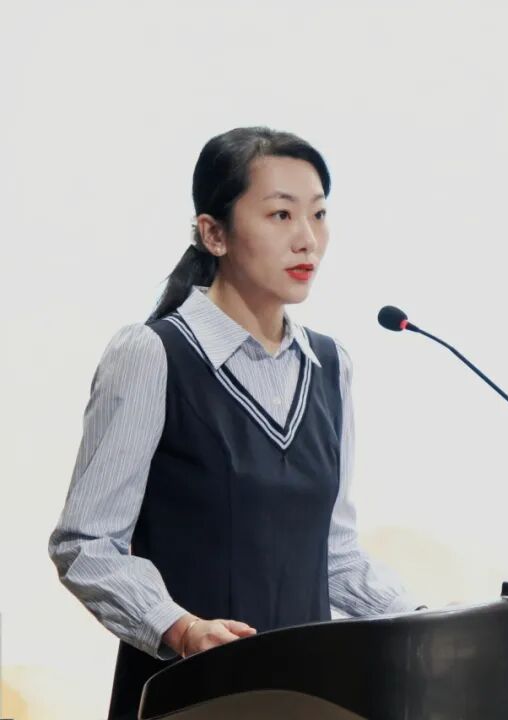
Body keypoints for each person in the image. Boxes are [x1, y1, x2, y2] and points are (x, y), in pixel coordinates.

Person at [47, 126, 420, 720]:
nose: (307, 239)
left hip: (305, 696)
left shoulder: (330, 366)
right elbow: (86, 543)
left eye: (319, 214)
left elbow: (334, 554)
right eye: (281, 214)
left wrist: (426, 622)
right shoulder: (153, 354)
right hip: (189, 694)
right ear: (213, 233)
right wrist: (179, 628)